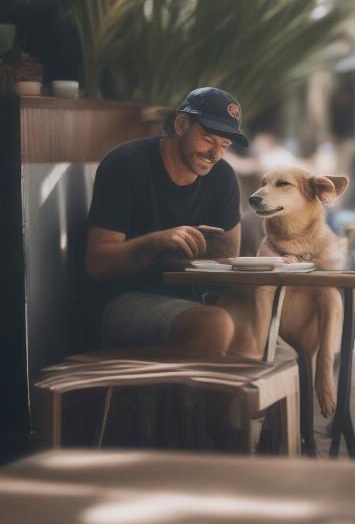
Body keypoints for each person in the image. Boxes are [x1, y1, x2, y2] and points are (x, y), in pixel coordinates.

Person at [86, 87, 249, 357]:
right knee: (215, 325)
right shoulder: (126, 164)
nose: (215, 154)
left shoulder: (223, 177)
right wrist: (156, 241)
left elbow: (227, 261)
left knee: (257, 330)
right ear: (181, 124)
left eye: (224, 145)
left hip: (194, 301)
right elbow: (97, 264)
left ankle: (198, 399)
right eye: (208, 139)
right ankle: (180, 400)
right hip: (124, 300)